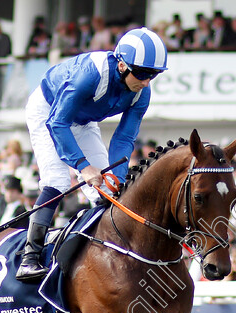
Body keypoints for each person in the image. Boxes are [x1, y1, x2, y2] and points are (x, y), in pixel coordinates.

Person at [17, 27, 168, 282]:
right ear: (121, 64)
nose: (145, 81)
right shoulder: (91, 74)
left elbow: (124, 138)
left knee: (109, 193)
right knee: (57, 181)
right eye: (142, 73)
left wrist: (117, 179)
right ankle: (29, 257)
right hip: (49, 111)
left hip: (83, 121)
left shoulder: (142, 93)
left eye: (153, 75)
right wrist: (83, 167)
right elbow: (57, 123)